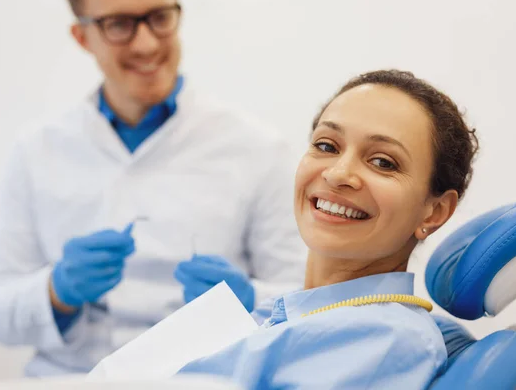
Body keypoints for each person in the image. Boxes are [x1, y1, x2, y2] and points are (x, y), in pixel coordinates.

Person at [0, 0, 306, 377]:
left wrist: (251, 300)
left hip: (203, 378)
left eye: (159, 17)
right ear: (83, 37)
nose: (147, 42)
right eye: (119, 24)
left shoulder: (258, 148)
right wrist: (56, 291)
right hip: (68, 379)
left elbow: (303, 300)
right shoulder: (37, 150)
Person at [177, 69, 480, 389]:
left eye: (383, 162)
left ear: (434, 211)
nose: (338, 174)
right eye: (326, 146)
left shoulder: (384, 340)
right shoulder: (293, 311)